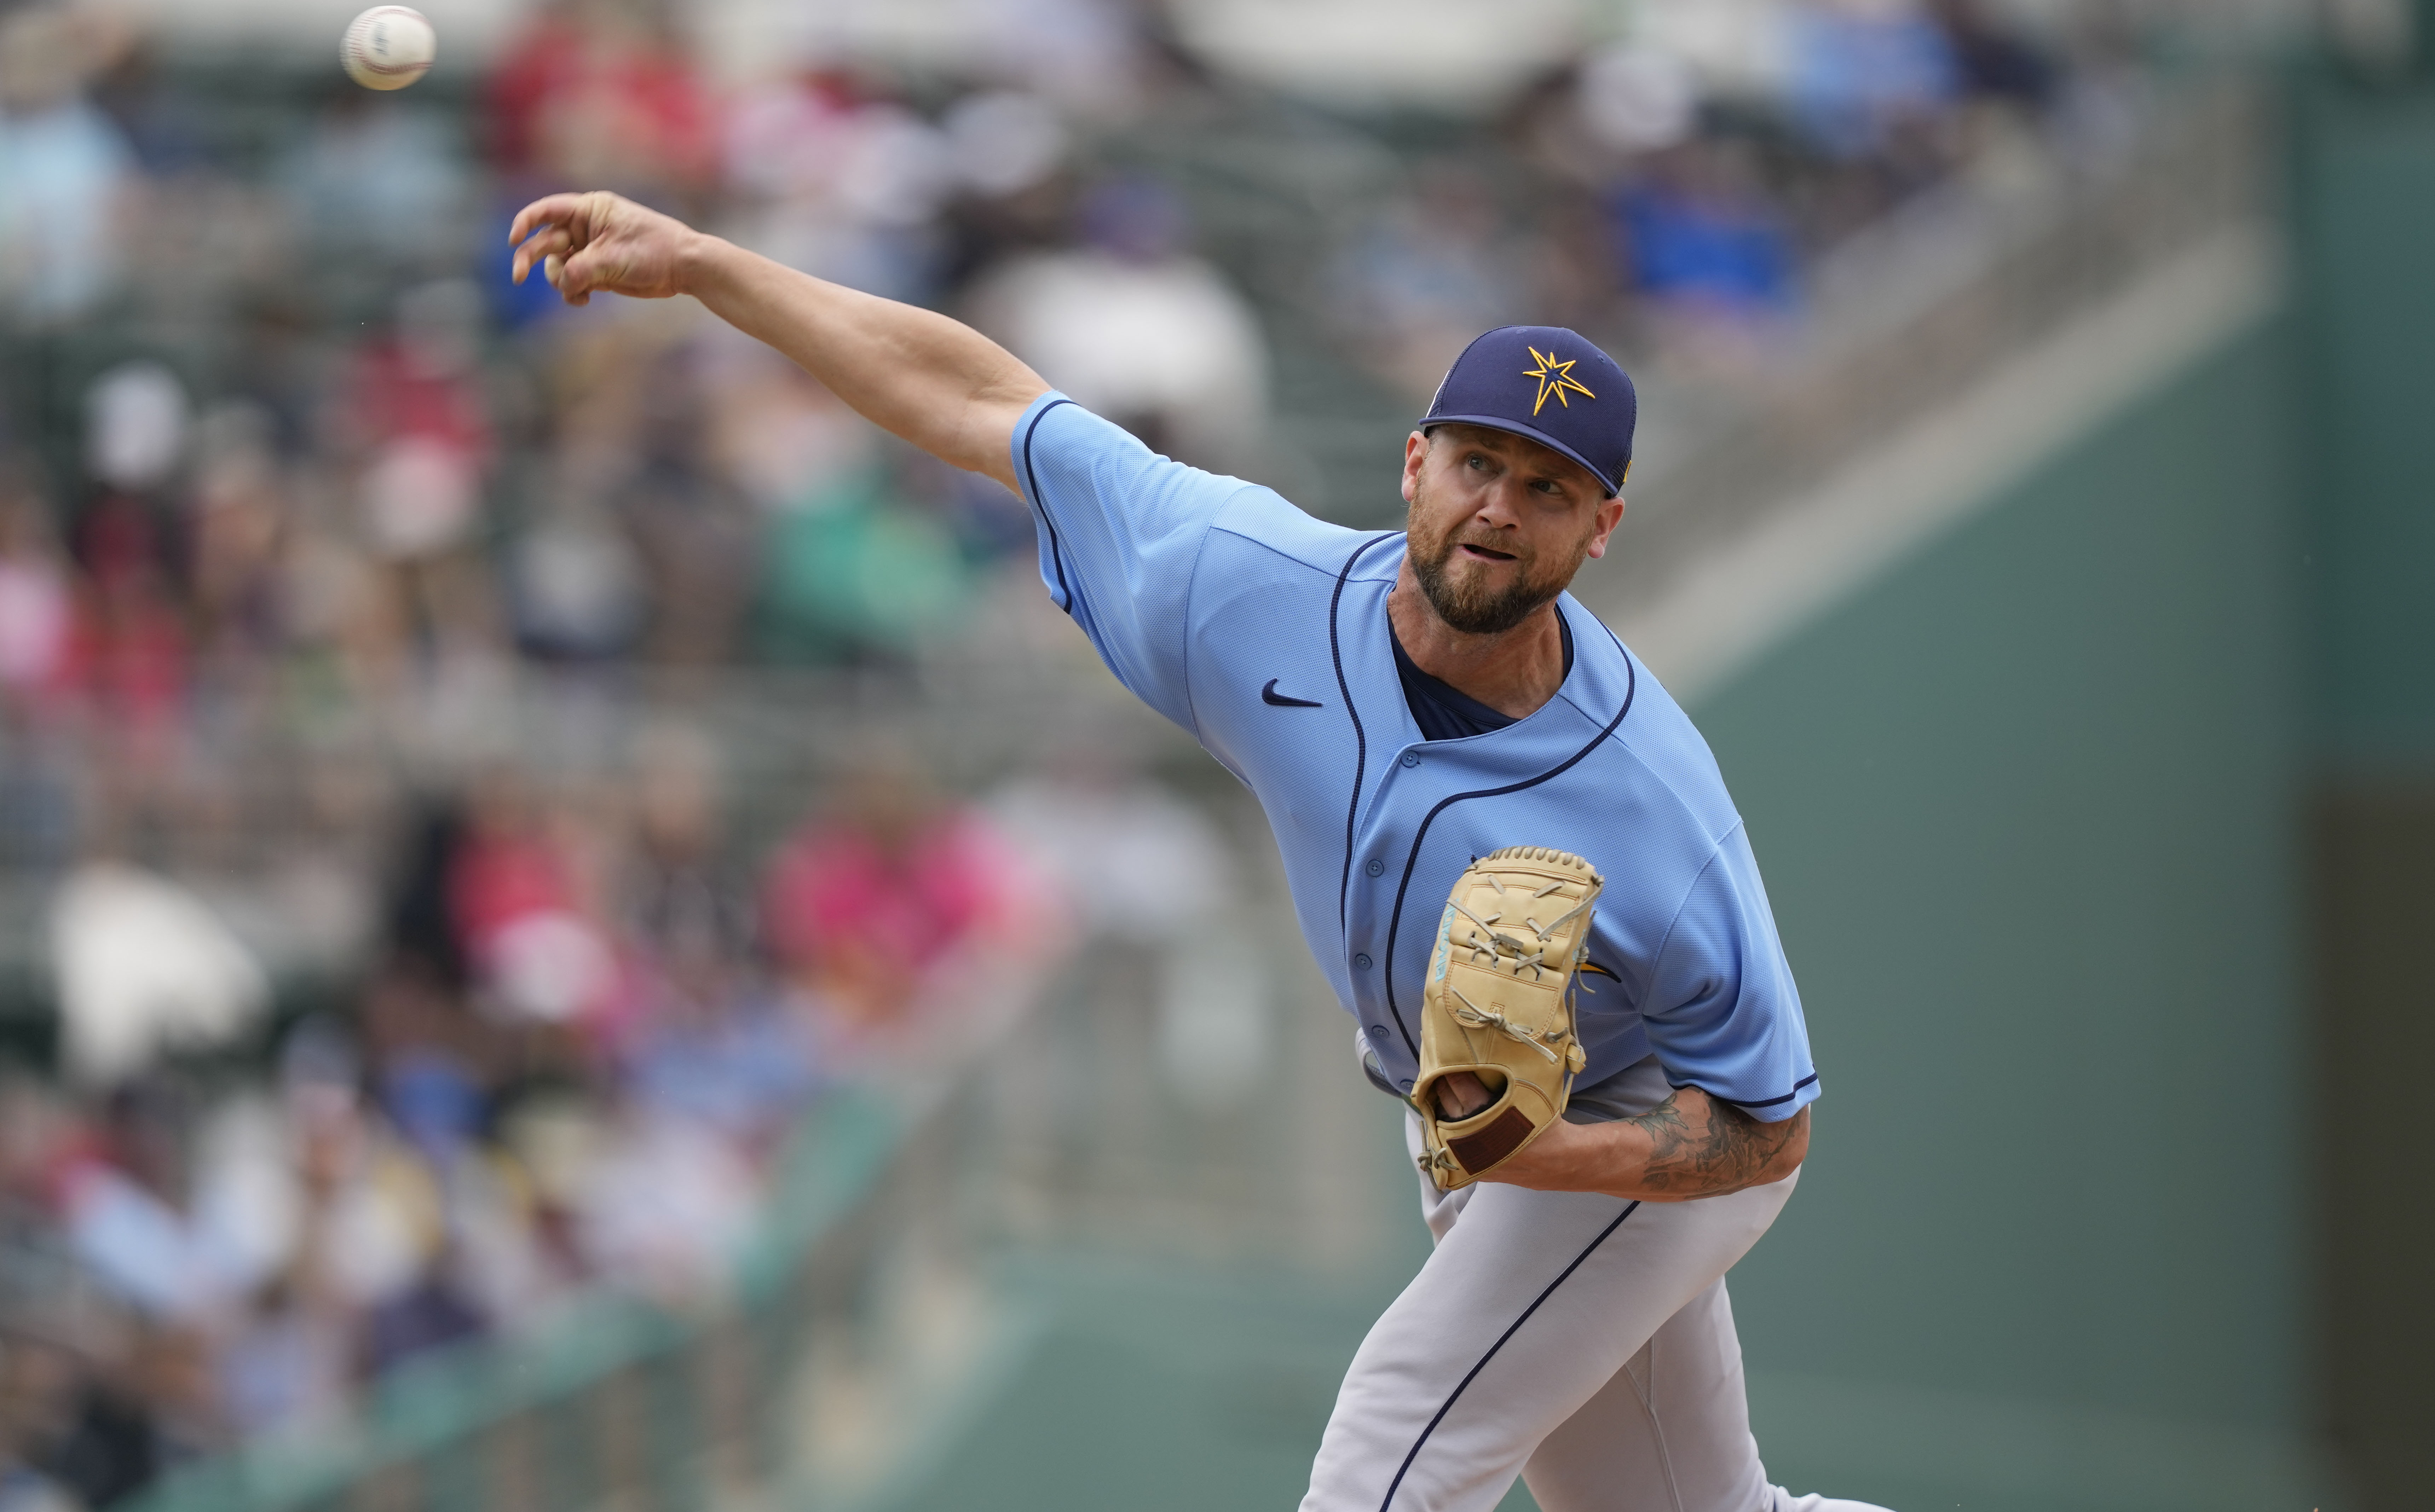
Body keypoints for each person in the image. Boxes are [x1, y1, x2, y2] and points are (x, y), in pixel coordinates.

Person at [505, 190, 1890, 1512]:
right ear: (1413, 462)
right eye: (1477, 461)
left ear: (1601, 528)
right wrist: (700, 264)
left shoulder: (1650, 801)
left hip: (1628, 1126)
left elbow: (1768, 1126)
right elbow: (984, 403)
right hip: (1481, 1125)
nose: (1497, 506)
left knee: (1386, 1458)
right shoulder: (1239, 582)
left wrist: (1550, 1151)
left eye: (1547, 485)